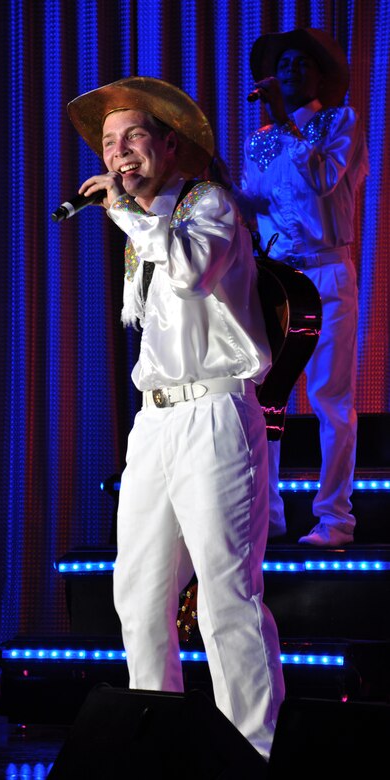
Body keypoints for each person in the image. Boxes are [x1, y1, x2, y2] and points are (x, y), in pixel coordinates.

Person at [67, 76, 285, 761]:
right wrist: (137, 216)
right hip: (155, 422)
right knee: (137, 592)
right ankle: (153, 744)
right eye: (108, 143)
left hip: (215, 413)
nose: (119, 153)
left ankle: (254, 751)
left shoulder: (212, 207)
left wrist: (130, 210)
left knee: (225, 596)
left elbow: (191, 271)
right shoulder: (148, 227)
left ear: (169, 144)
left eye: (133, 137)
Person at [225, 29, 369, 547]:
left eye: (299, 63)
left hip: (328, 274)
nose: (288, 71)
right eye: (282, 64)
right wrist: (226, 189)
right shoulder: (261, 137)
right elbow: (261, 208)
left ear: (318, 74)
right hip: (280, 277)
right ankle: (271, 512)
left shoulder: (339, 122)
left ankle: (335, 519)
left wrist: (288, 125)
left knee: (330, 397)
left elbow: (324, 180)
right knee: (269, 397)